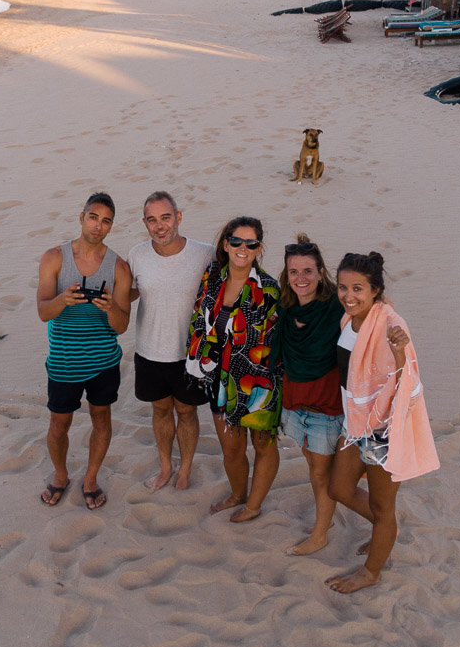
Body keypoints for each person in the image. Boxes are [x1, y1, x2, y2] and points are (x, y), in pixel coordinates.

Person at [325, 252, 438, 593]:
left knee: (381, 506)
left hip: (382, 431)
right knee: (339, 489)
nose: (349, 296)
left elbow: (407, 376)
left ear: (375, 290)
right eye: (343, 287)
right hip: (355, 424)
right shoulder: (351, 320)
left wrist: (400, 350)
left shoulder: (390, 325)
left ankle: (372, 569)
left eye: (358, 288)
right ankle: (385, 532)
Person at [36, 192, 132, 510]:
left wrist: (109, 308)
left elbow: (120, 327)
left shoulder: (118, 267)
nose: (98, 226)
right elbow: (43, 312)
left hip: (103, 361)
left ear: (110, 227)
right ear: (81, 217)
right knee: (58, 424)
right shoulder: (54, 258)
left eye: (106, 221)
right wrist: (62, 300)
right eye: (93, 217)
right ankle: (61, 474)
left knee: (101, 419)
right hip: (64, 361)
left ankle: (90, 478)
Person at [185, 216, 282, 522]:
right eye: (237, 242)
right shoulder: (212, 276)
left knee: (262, 446)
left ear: (259, 248)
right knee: (231, 450)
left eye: (251, 243)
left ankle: (253, 506)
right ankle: (238, 494)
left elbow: (278, 340)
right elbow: (199, 318)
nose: (243, 248)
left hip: (259, 383)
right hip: (218, 379)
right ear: (226, 244)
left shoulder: (269, 289)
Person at [127, 191, 216, 491]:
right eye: (152, 220)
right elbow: (127, 295)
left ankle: (186, 469)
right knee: (161, 411)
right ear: (145, 223)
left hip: (190, 354)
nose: (160, 226)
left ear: (178, 217)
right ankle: (166, 466)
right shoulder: (137, 255)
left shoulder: (205, 254)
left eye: (166, 217)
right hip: (150, 351)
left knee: (187, 412)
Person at [271, 234, 345, 555]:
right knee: (312, 466)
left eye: (308, 271)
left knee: (321, 470)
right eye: (294, 272)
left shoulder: (336, 309)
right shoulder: (285, 308)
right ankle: (324, 519)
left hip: (326, 406)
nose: (301, 278)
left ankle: (319, 535)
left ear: (321, 272)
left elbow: (370, 313)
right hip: (294, 402)